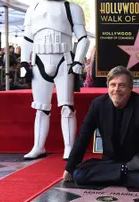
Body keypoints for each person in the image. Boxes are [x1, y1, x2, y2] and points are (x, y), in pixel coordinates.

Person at [63, 66, 139, 191]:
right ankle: (124, 169)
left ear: (130, 88)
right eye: (113, 85)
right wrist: (69, 168)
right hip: (112, 163)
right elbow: (83, 137)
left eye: (122, 85)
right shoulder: (98, 104)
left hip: (138, 163)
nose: (116, 89)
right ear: (108, 87)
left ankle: (109, 176)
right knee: (78, 175)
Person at [20, 0, 90, 160]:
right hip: (39, 60)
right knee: (41, 108)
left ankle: (69, 147)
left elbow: (84, 39)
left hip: (64, 60)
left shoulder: (72, 8)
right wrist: (24, 62)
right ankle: (38, 146)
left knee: (66, 107)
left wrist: (78, 61)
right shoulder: (33, 8)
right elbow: (27, 38)